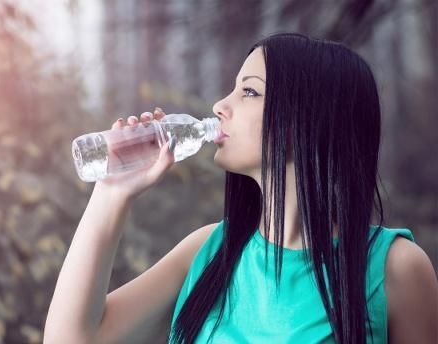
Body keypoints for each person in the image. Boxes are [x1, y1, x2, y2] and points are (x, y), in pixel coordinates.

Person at [43, 33, 438, 343]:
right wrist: (111, 194)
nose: (219, 105)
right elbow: (71, 339)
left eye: (248, 91)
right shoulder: (208, 251)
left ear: (308, 119)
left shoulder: (394, 268)